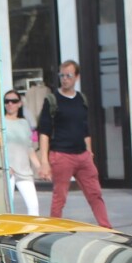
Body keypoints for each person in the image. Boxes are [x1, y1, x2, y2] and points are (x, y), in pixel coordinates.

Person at [36, 60, 110, 226]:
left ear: (77, 77)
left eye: (69, 75)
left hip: (82, 155)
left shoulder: (81, 99)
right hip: (61, 155)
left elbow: (85, 129)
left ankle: (106, 228)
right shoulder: (52, 100)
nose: (65, 79)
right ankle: (54, 230)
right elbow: (45, 133)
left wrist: (89, 152)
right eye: (62, 75)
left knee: (95, 193)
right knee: (60, 197)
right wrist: (44, 162)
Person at [1, 89, 39, 215]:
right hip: (8, 171)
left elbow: (29, 148)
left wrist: (40, 167)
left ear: (20, 103)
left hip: (24, 171)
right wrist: (5, 165)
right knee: (8, 209)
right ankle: (8, 233)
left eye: (14, 101)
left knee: (33, 207)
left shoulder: (24, 123)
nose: (10, 104)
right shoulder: (0, 122)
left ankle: (33, 233)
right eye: (7, 101)